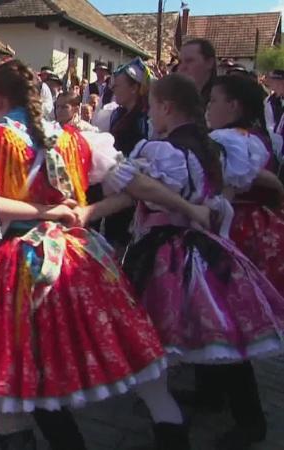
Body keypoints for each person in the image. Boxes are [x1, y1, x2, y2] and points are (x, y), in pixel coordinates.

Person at [0, 59, 208, 450]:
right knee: (112, 361)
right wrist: (192, 210)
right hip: (80, 259)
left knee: (7, 382)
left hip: (14, 266)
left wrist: (44, 212)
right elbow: (138, 184)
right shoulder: (78, 139)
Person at [85, 73, 284, 450]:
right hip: (207, 247)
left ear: (166, 107)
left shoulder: (166, 151)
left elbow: (135, 191)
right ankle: (214, 408)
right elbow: (221, 196)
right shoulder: (213, 147)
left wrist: (87, 212)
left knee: (157, 336)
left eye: (154, 106)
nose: (152, 114)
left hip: (168, 251)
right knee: (217, 333)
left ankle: (176, 421)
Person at [207, 74, 284, 294]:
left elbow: (233, 184)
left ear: (233, 105)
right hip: (264, 224)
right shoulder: (255, 137)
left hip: (238, 227)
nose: (209, 107)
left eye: (213, 101)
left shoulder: (230, 140)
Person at [99, 58, 154, 249]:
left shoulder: (146, 118)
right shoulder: (117, 114)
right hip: (116, 182)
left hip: (134, 187)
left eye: (118, 85)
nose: (113, 89)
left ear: (134, 88)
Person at [178, 38, 217, 104]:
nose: (181, 67)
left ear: (209, 63)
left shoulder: (220, 100)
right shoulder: (176, 97)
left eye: (189, 61)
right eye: (180, 62)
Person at [263, 69, 284, 159]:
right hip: (276, 146)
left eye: (272, 80)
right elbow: (269, 124)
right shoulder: (269, 101)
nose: (269, 83)